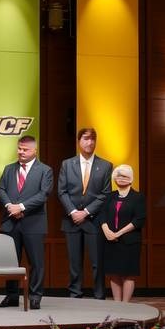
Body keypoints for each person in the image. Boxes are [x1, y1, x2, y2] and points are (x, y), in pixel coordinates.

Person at [0, 135, 53, 310]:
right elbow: (0, 189)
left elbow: (44, 194)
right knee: (11, 262)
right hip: (10, 222)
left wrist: (20, 207)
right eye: (19, 148)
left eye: (25, 149)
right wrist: (9, 206)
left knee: (36, 262)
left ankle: (35, 296)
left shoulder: (45, 170)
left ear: (35, 150)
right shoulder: (9, 168)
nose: (21, 152)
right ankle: (12, 296)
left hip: (34, 223)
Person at [57, 127, 113, 300]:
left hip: (94, 220)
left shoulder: (106, 165)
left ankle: (99, 294)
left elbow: (105, 194)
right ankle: (75, 293)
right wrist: (74, 211)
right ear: (79, 141)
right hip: (71, 220)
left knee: (97, 262)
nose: (90, 142)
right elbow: (62, 191)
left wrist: (86, 212)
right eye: (86, 139)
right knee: (74, 262)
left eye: (93, 139)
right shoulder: (67, 164)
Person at [100, 164, 146, 302]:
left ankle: (125, 306)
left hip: (129, 241)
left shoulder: (138, 197)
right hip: (110, 241)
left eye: (125, 176)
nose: (121, 179)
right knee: (113, 274)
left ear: (131, 179)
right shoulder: (109, 196)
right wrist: (107, 231)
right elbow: (102, 215)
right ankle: (117, 305)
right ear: (114, 179)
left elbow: (139, 219)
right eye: (118, 176)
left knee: (128, 274)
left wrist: (118, 233)